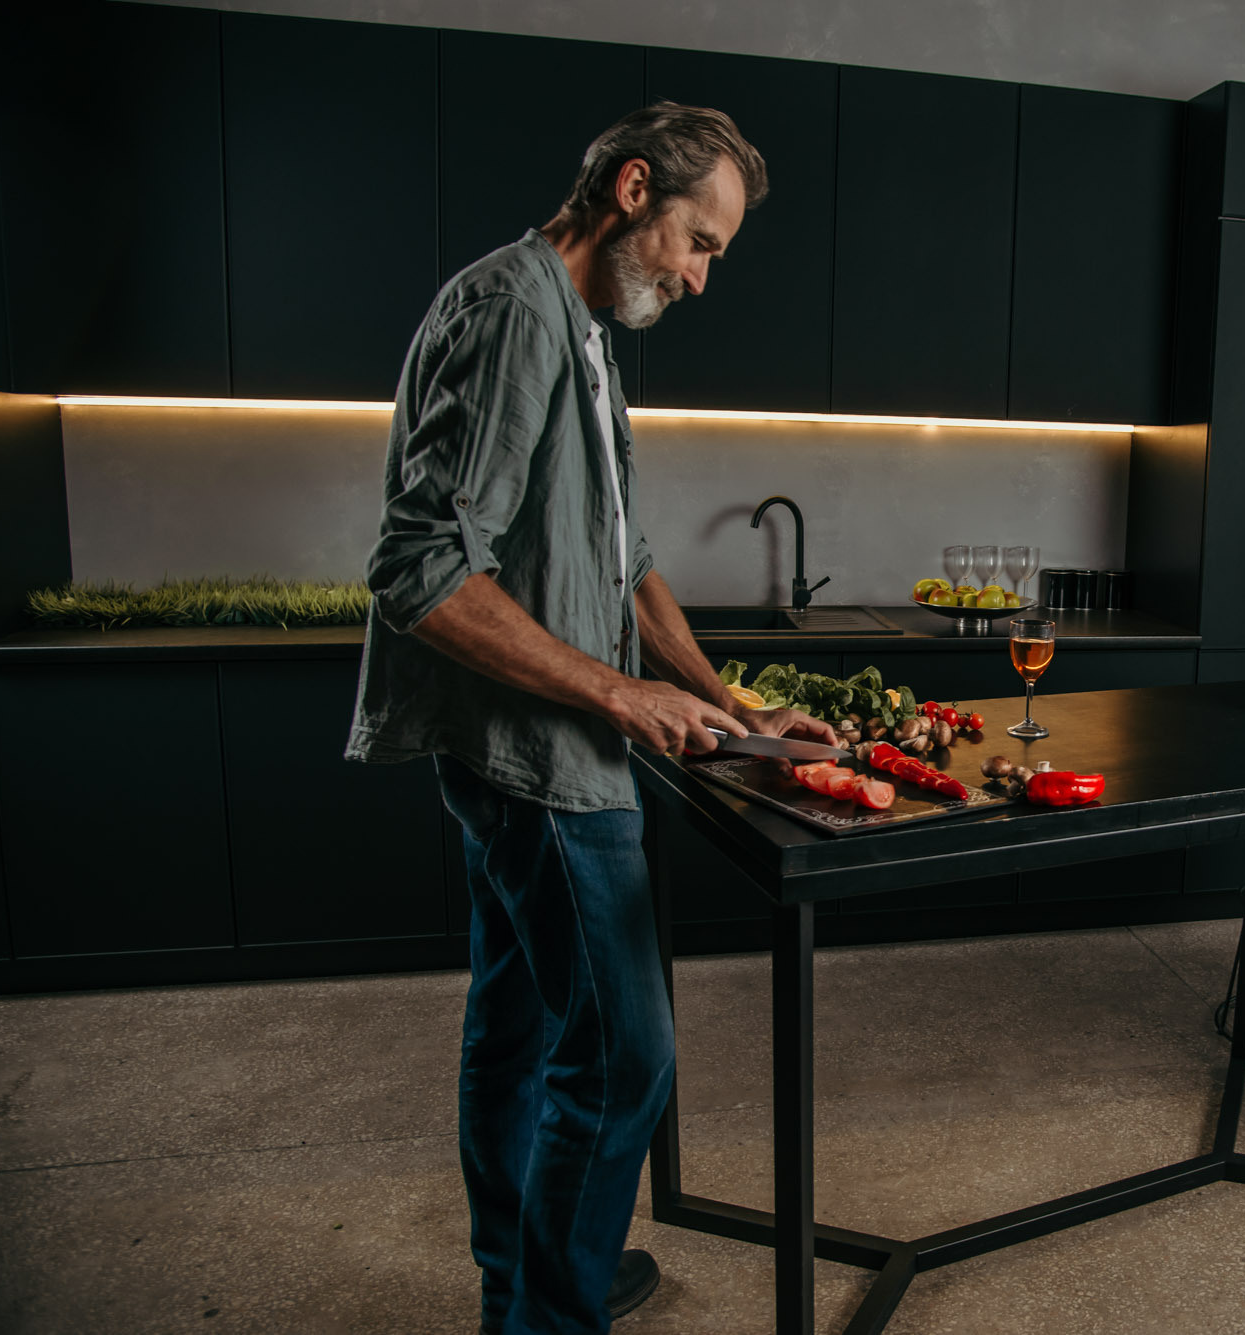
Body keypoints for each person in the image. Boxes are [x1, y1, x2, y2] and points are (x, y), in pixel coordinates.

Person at [345, 104, 836, 1334]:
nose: (700, 275)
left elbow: (622, 561)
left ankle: (530, 1273)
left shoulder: (580, 333)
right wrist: (620, 692)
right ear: (631, 190)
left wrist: (729, 700)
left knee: (517, 1023)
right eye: (699, 240)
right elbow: (420, 574)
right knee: (623, 1060)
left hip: (538, 749)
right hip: (544, 763)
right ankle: (545, 1310)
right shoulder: (516, 310)